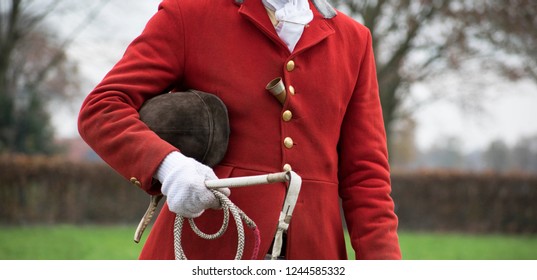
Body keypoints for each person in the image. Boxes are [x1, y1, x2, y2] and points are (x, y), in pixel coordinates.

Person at [78, 0, 402, 260]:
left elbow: (366, 176)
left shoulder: (354, 40)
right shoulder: (188, 13)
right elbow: (102, 107)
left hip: (317, 254)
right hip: (207, 249)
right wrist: (169, 166)